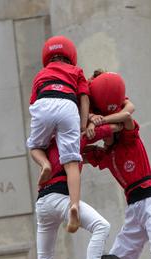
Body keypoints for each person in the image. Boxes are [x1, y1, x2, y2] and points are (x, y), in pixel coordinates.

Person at [83, 72, 151, 259]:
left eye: (108, 133)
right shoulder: (106, 155)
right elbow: (77, 151)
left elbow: (126, 116)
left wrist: (99, 122)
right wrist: (88, 119)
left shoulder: (129, 139)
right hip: (133, 209)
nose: (105, 138)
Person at [33, 127, 115, 259]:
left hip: (43, 202)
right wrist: (99, 122)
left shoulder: (47, 141)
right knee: (101, 226)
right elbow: (108, 129)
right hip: (60, 197)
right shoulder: (73, 135)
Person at [27, 35, 89, 234]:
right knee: (71, 162)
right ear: (71, 55)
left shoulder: (41, 74)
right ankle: (74, 205)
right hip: (68, 104)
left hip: (44, 102)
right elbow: (84, 98)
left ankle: (45, 164)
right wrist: (83, 124)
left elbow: (33, 103)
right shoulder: (76, 71)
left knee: (35, 146)